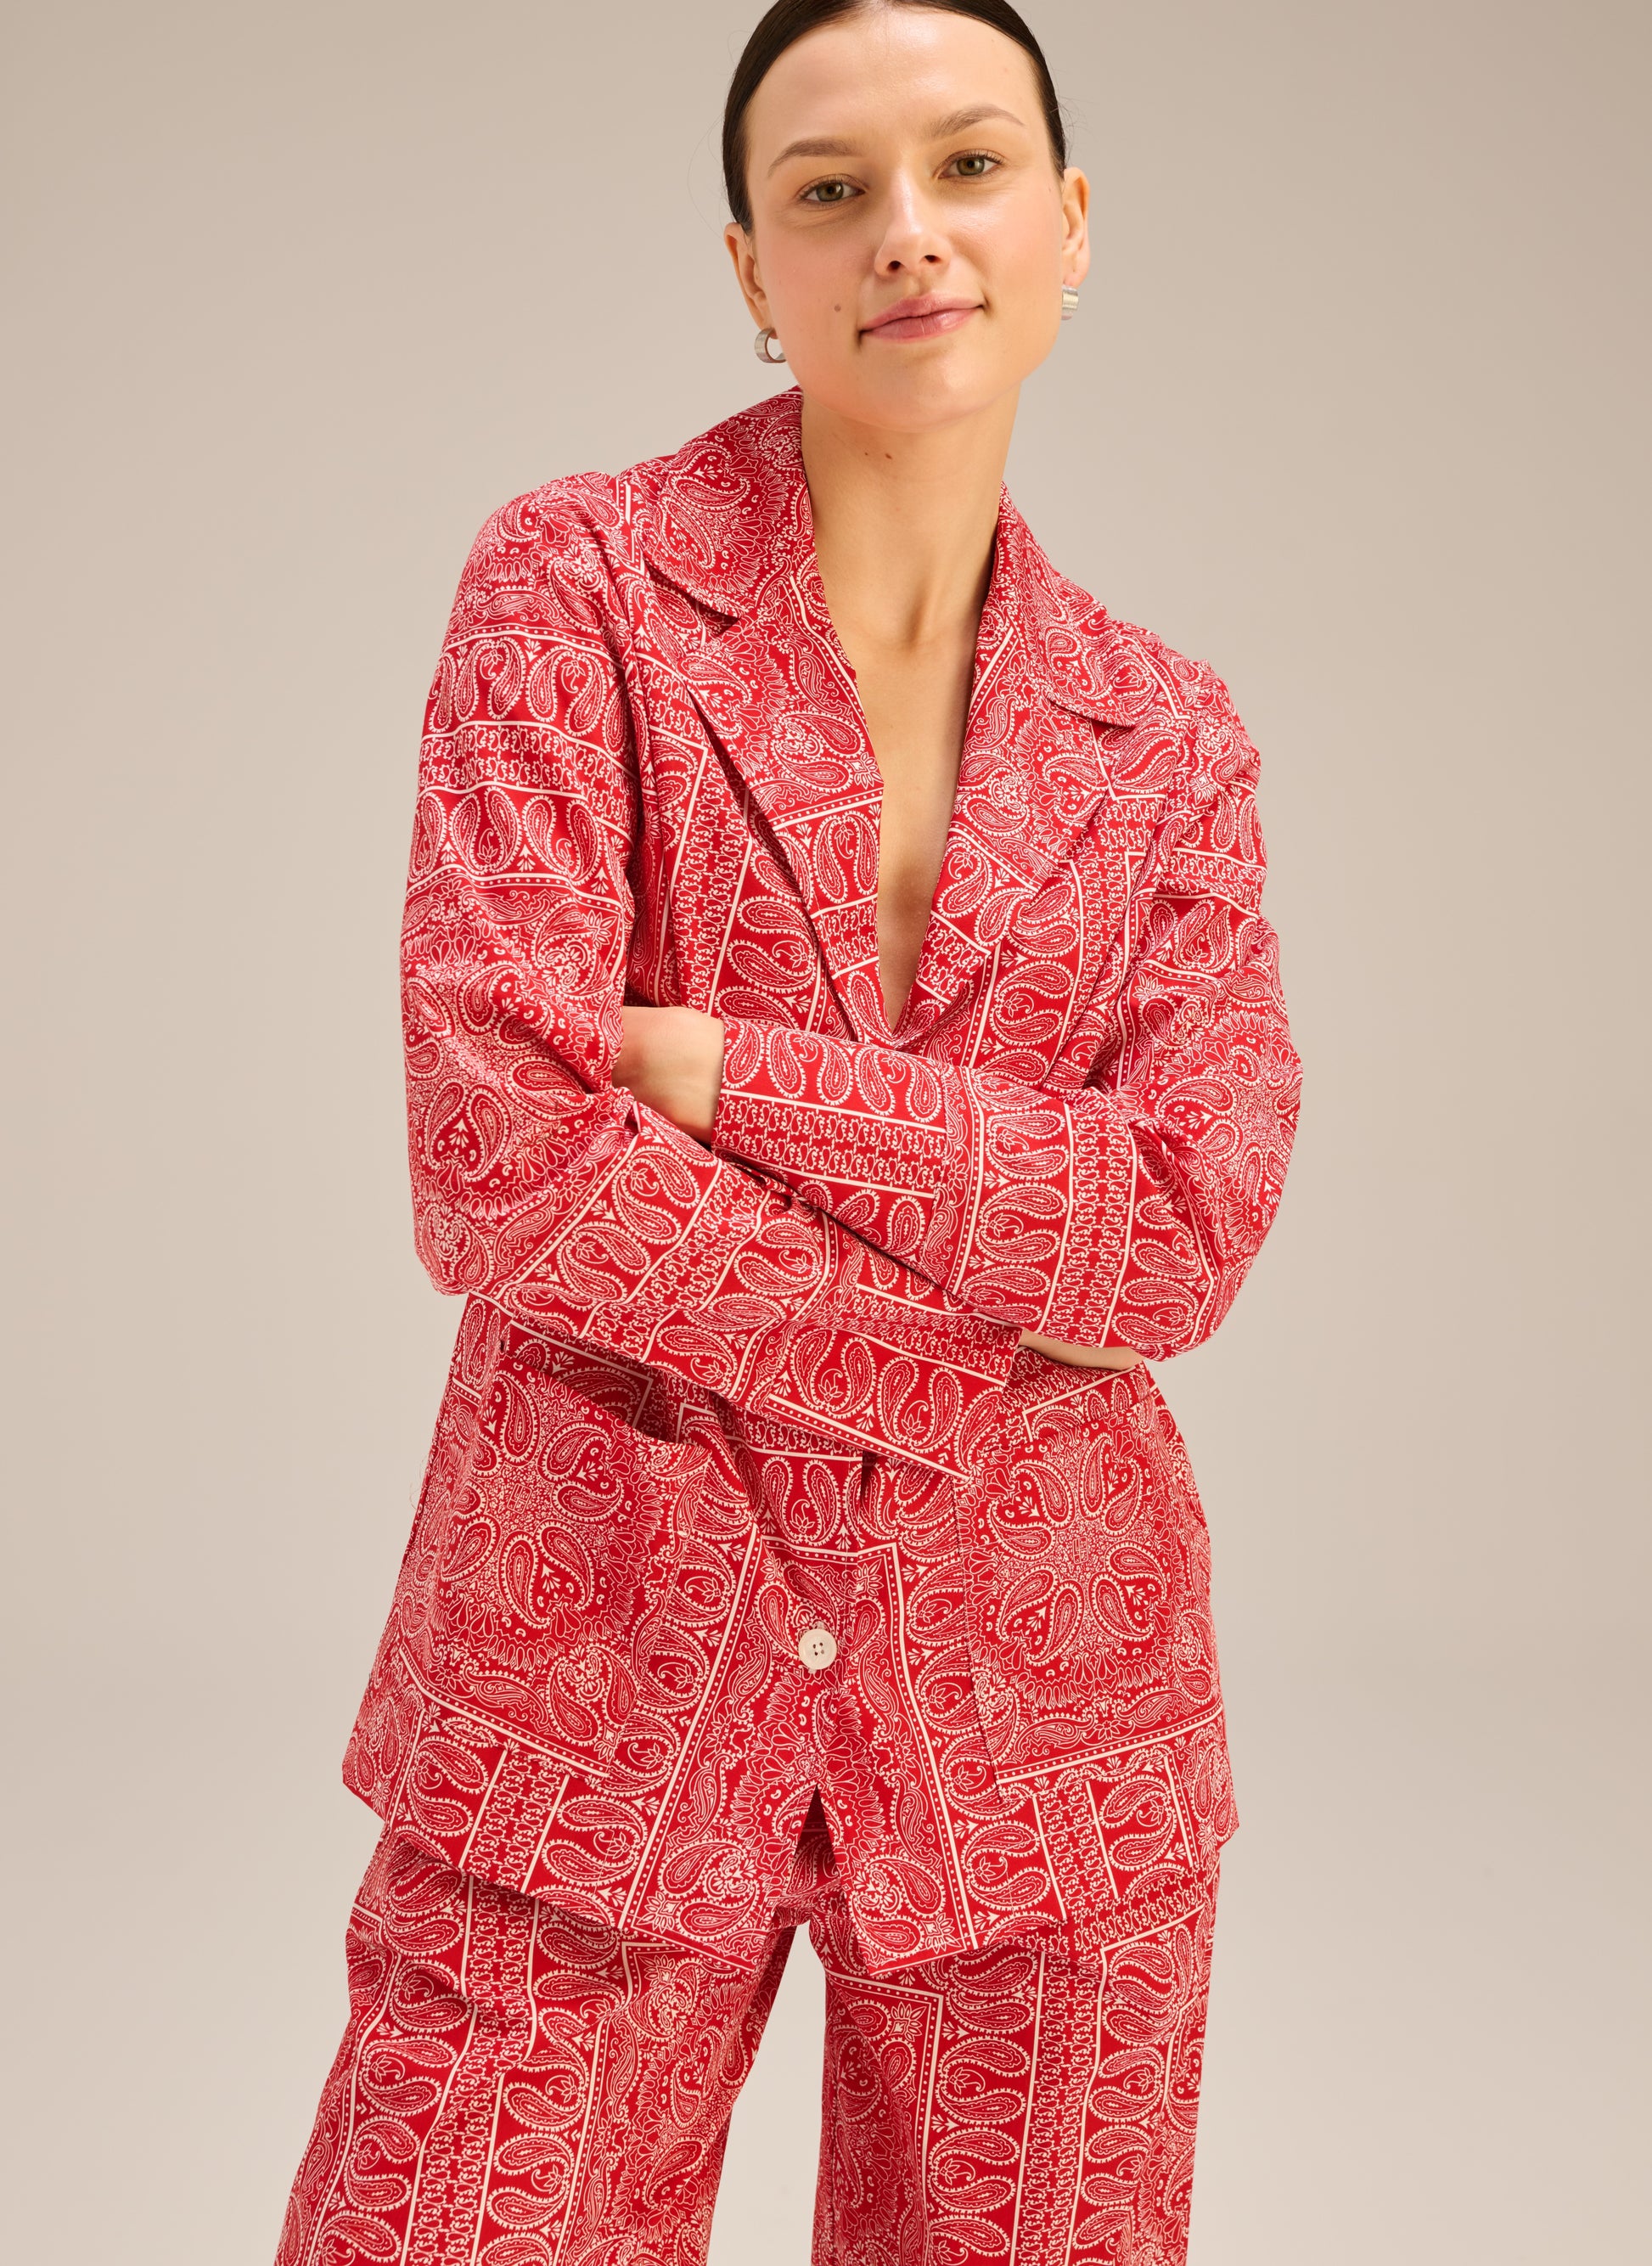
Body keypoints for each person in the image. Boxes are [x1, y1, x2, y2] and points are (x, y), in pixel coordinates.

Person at [275, 3, 1301, 2261]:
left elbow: (1180, 1232)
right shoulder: (574, 590)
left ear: (1070, 225)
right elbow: (500, 1141)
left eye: (968, 167)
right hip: (583, 1677)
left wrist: (729, 1075)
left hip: (1053, 1734)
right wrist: (994, 1342)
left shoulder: (1170, 741)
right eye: (830, 191)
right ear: (754, 265)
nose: (907, 232)